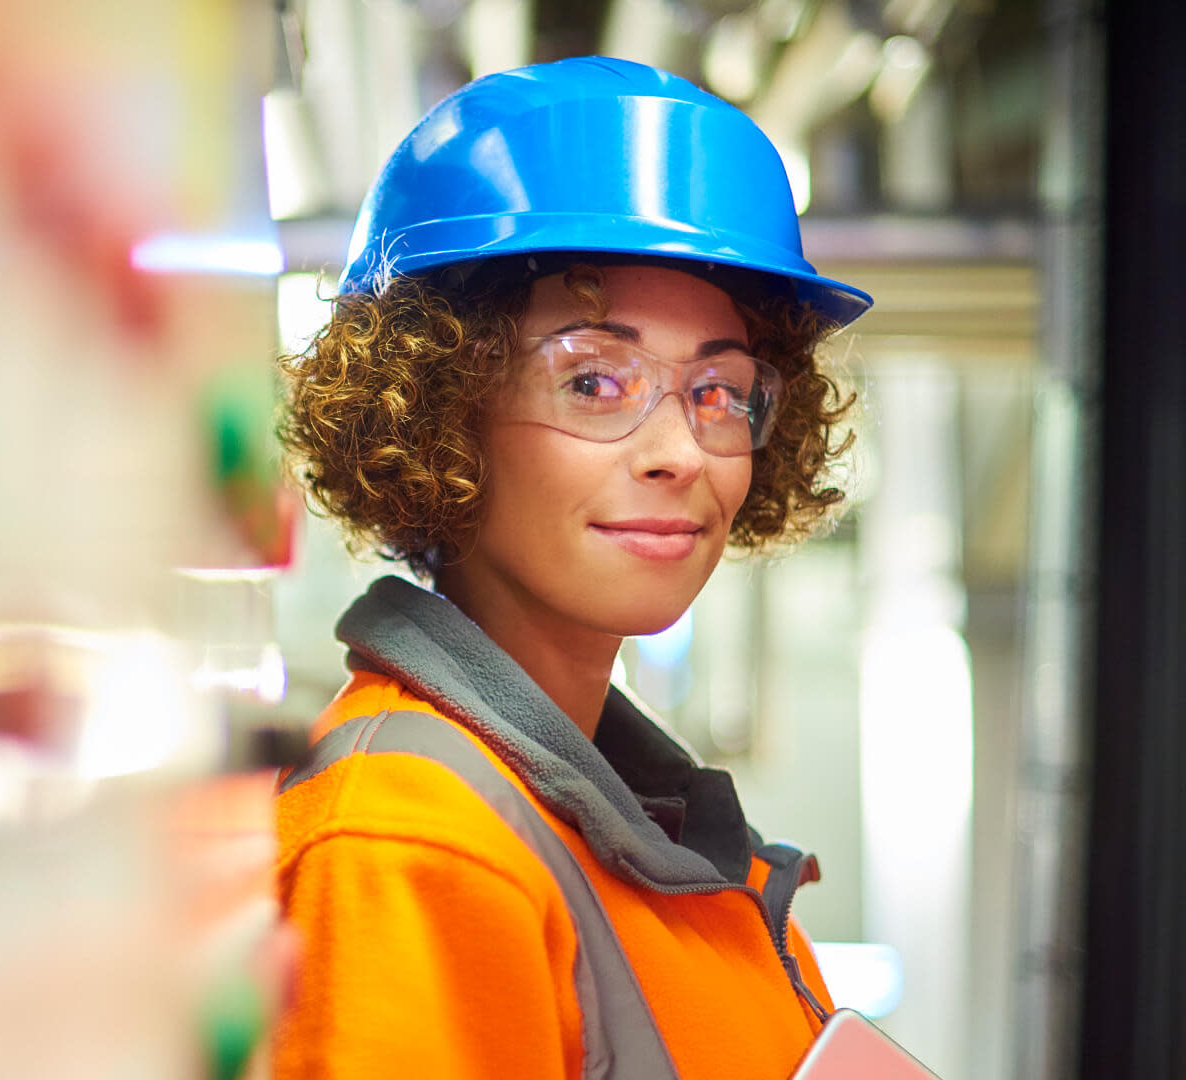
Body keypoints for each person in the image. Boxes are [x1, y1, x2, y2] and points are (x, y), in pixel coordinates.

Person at [270, 57, 871, 1080]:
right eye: (595, 380)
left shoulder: (631, 837)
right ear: (440, 415)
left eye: (720, 391)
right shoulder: (416, 847)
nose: (682, 449)